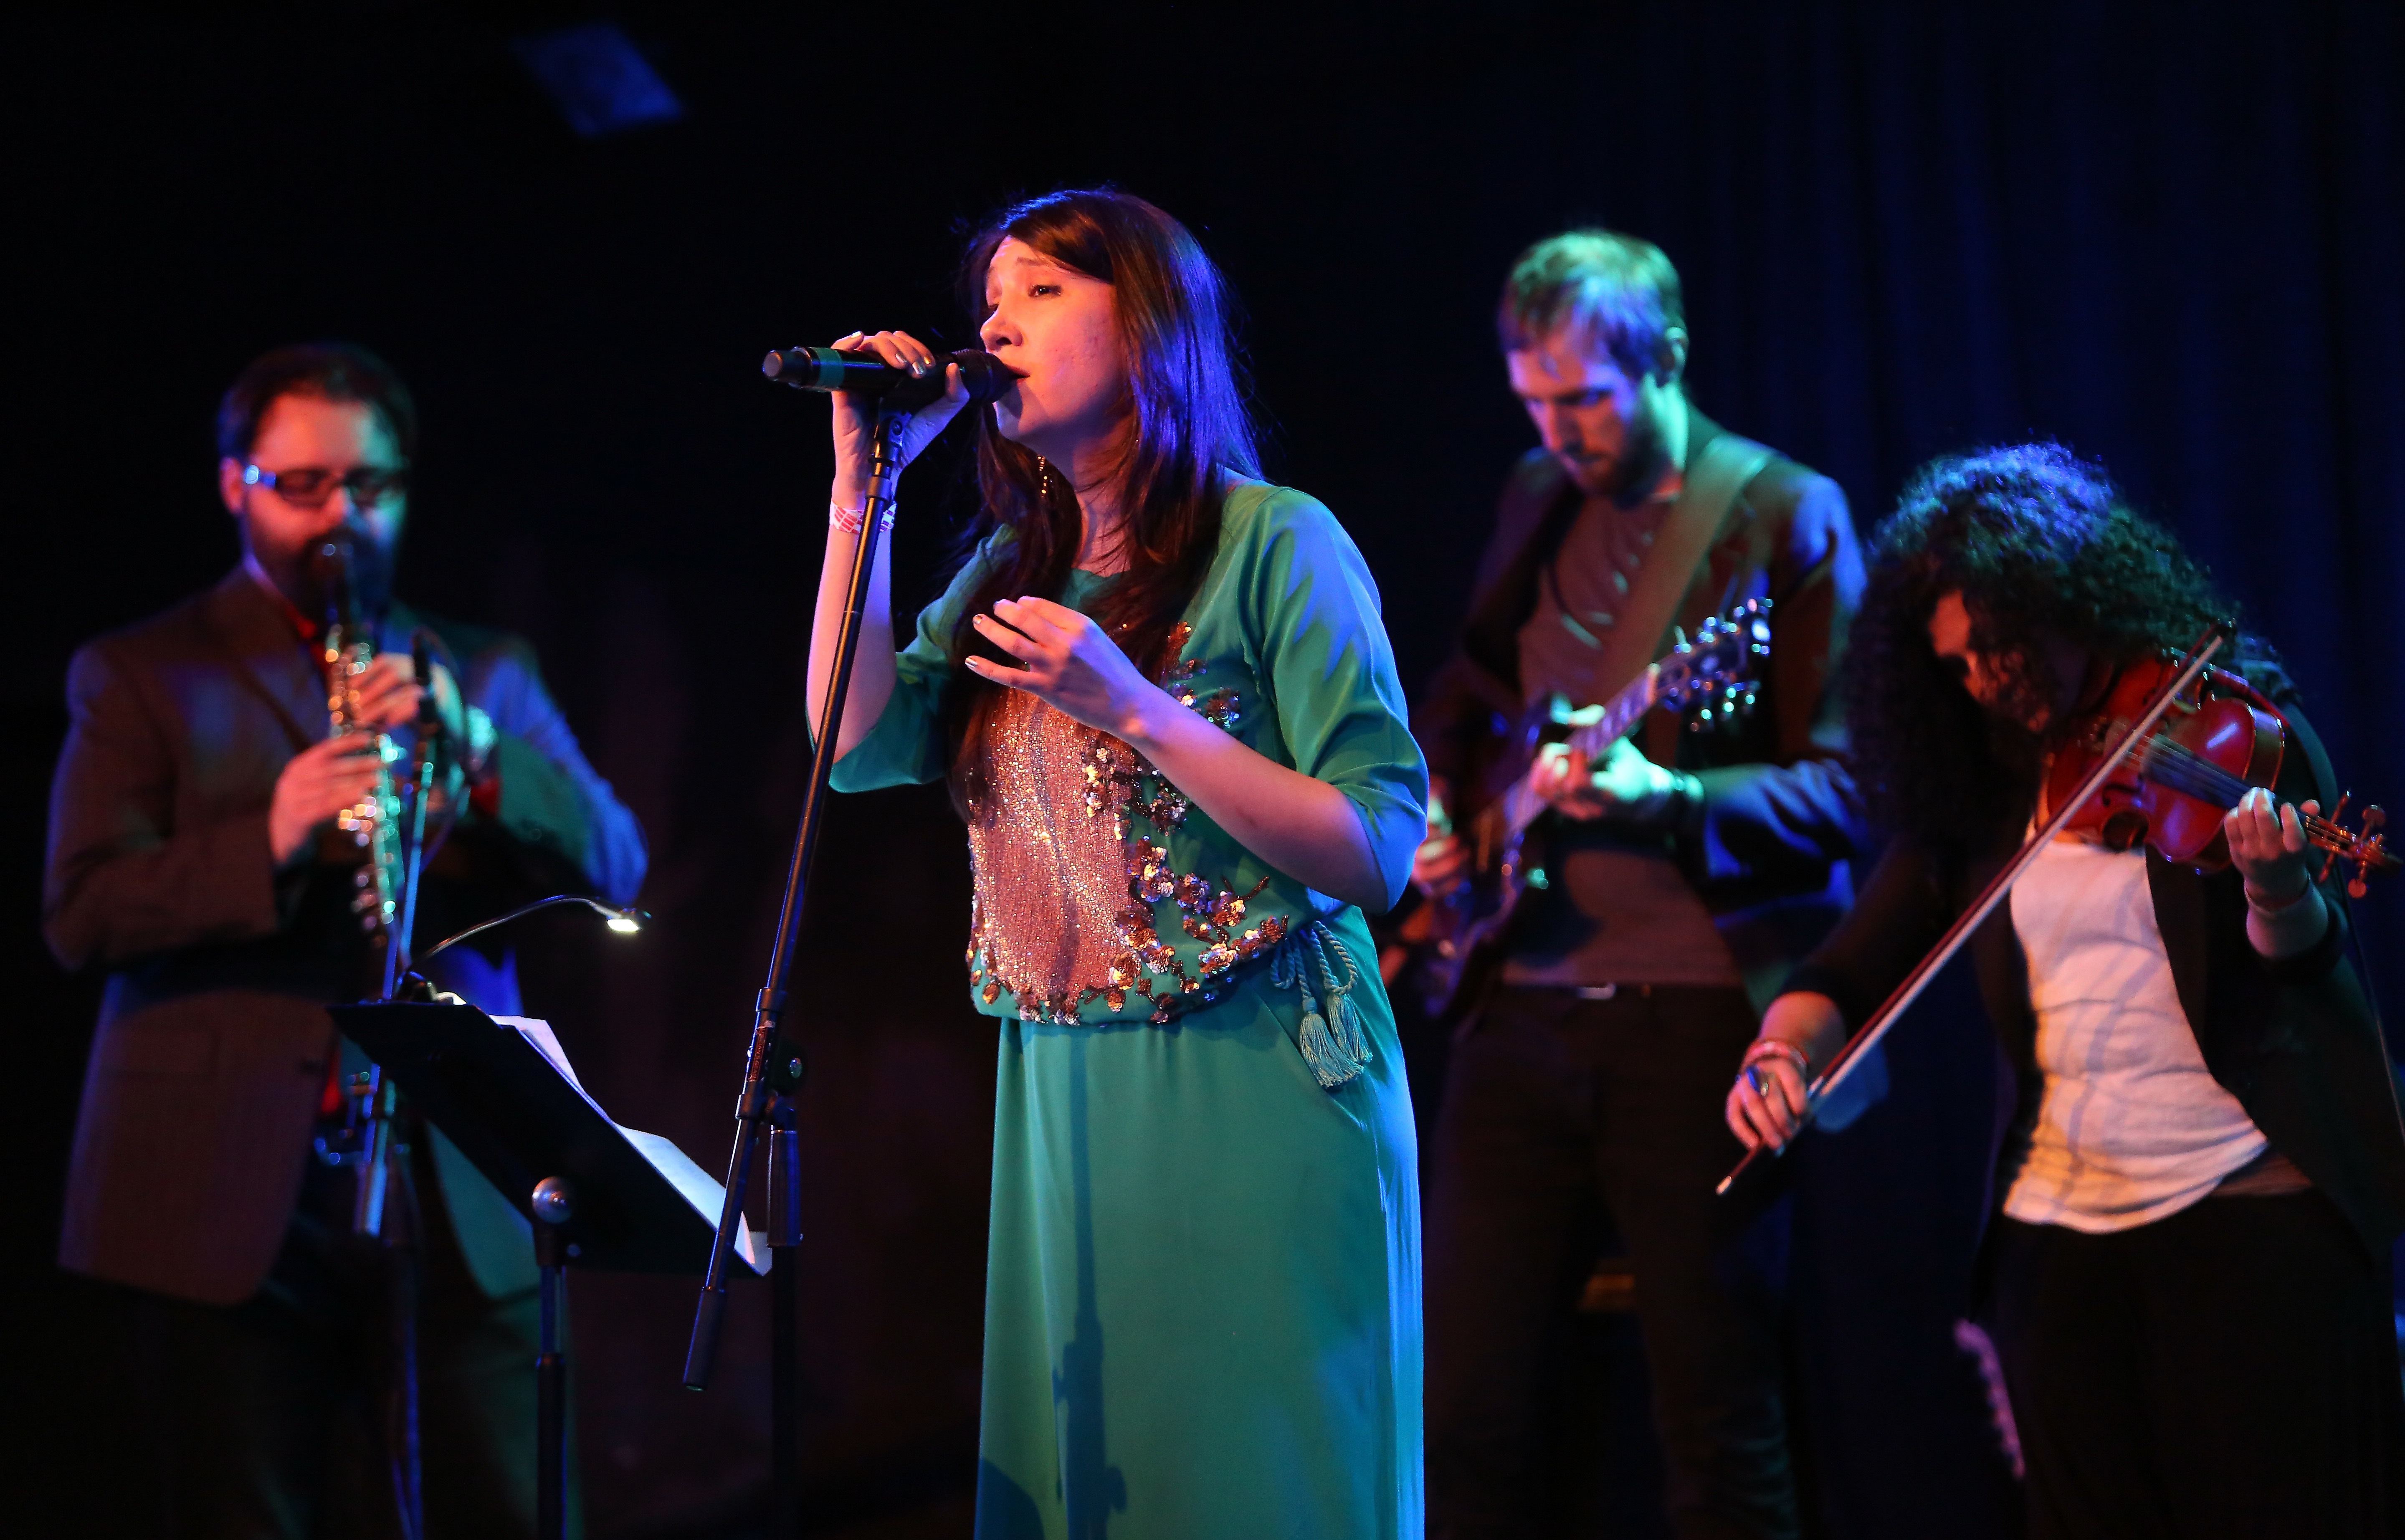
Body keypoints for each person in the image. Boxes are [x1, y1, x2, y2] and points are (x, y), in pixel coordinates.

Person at [813, 188, 1428, 1538]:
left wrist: (1139, 711)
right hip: (1066, 1091)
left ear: (1146, 324)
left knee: (1257, 1483)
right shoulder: (1011, 568)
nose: (994, 326)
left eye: (1041, 290)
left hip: (1258, 1077)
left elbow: (1378, 842)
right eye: (991, 299)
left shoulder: (1275, 540)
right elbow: (850, 744)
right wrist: (865, 488)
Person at [1728, 443, 2405, 1538]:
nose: (1987, 681)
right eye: (1959, 663)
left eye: (2001, 645)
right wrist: (1780, 1053)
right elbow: (1847, 966)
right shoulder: (1992, 784)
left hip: (2247, 1205)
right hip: (2061, 1232)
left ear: (2072, 597)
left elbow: (2302, 962)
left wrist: (2279, 888)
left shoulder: (2231, 727)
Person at [45, 342, 647, 1538]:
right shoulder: (141, 673)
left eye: (369, 487)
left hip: (459, 1181)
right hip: (220, 1202)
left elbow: (618, 867)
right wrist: (271, 834)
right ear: (235, 484)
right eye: (305, 487)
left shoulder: (484, 671)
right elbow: (82, 913)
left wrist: (483, 759)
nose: (340, 517)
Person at [1410, 230, 1863, 1538]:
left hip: (1699, 1024)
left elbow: (1849, 792)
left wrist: (1673, 799)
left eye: (1585, 398)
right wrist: (1439, 807)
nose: (1558, 432)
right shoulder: (1534, 493)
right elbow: (1467, 689)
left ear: (1665, 356)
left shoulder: (1785, 512)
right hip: (1516, 1010)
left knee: (1715, 1421)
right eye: (1533, 401)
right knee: (1463, 1416)